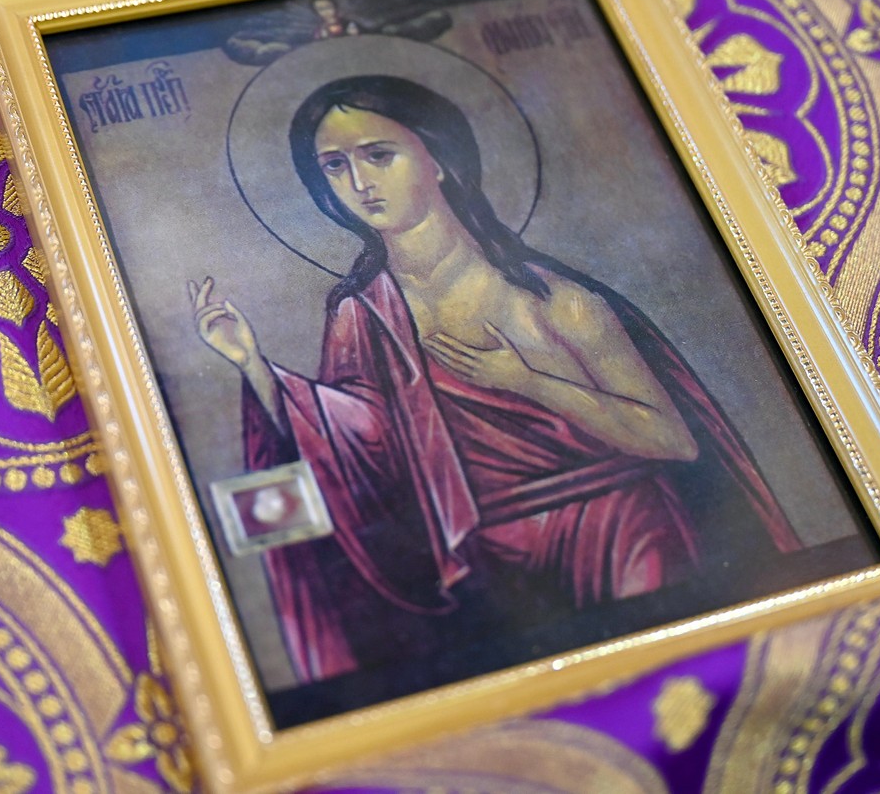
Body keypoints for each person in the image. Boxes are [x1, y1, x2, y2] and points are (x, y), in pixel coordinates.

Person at [191, 75, 799, 685]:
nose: (360, 182)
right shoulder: (362, 314)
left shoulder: (554, 301)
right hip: (489, 564)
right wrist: (253, 365)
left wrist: (530, 380)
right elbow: (357, 445)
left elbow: (674, 440)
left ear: (439, 160)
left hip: (622, 531)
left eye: (379, 155)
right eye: (335, 165)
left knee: (669, 685)